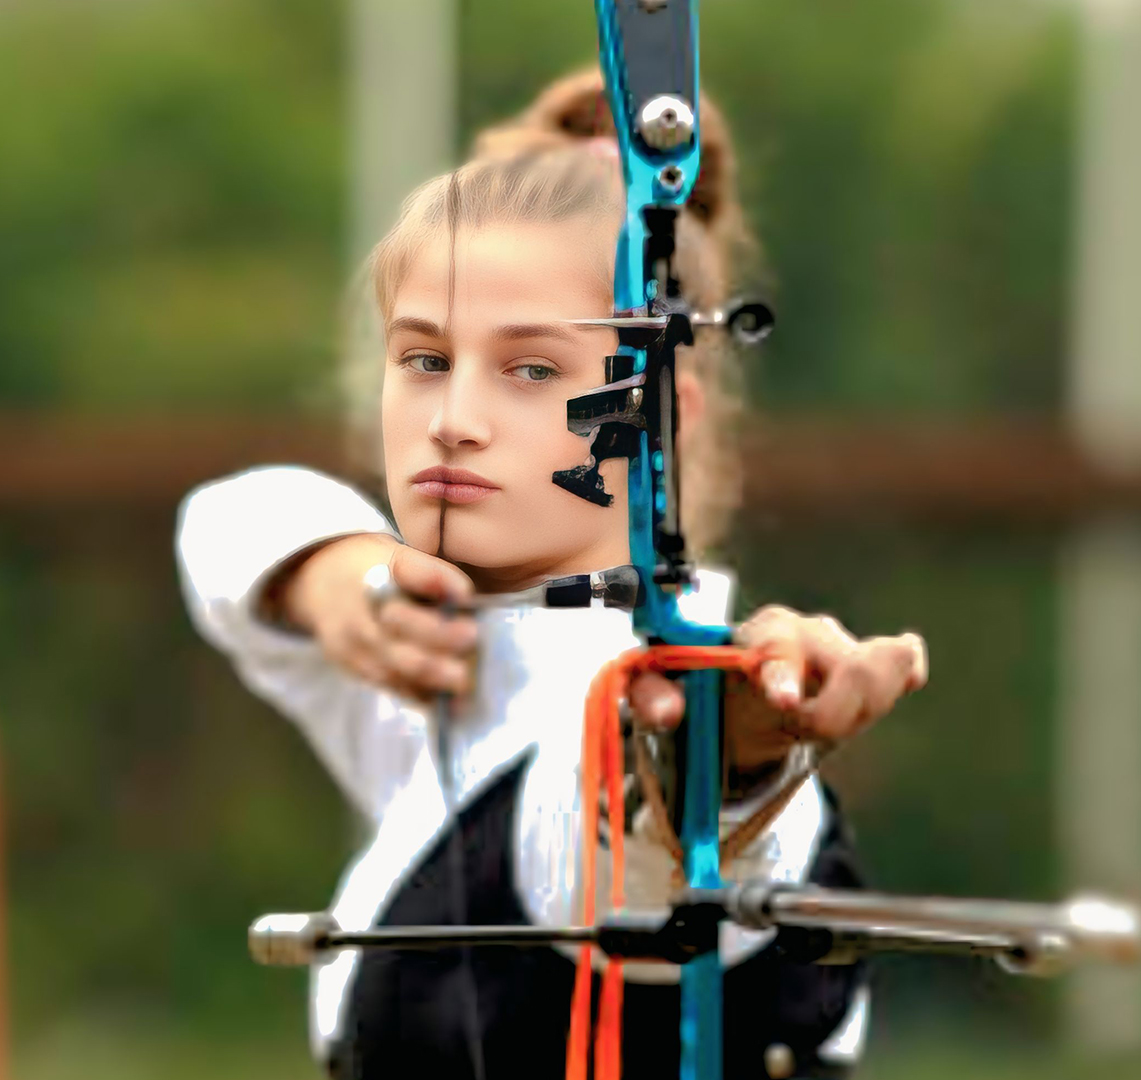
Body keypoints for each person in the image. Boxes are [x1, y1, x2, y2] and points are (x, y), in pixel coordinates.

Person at [177, 72, 927, 1080]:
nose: (453, 417)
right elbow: (226, 522)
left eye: (530, 369)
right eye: (425, 360)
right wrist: (330, 575)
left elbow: (618, 834)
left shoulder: (622, 679)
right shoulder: (425, 655)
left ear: (658, 415)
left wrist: (726, 748)